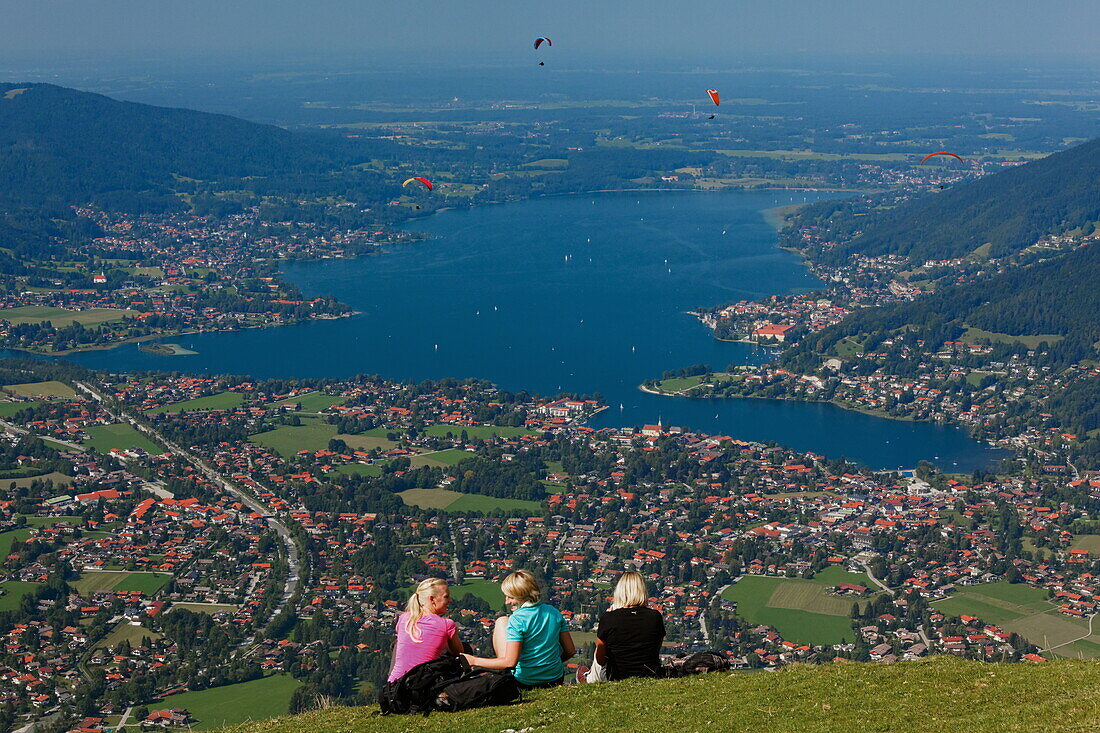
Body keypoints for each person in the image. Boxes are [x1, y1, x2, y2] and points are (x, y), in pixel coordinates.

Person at [461, 569, 575, 688]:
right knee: (503, 620)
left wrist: (474, 661)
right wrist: (549, 666)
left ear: (522, 596)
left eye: (510, 597)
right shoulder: (554, 612)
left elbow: (510, 662)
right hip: (555, 679)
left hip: (525, 682)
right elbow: (570, 651)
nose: (506, 602)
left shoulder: (517, 619)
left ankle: (505, 673)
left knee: (501, 621)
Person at [581, 571, 664, 683]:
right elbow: (656, 649)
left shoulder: (609, 618)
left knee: (600, 649)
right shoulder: (655, 617)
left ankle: (589, 678)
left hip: (617, 676)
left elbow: (600, 660)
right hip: (650, 674)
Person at [388, 578, 464, 683]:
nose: (450, 600)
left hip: (394, 687)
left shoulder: (404, 618)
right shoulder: (447, 624)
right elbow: (459, 652)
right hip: (421, 687)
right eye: (446, 597)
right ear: (432, 599)